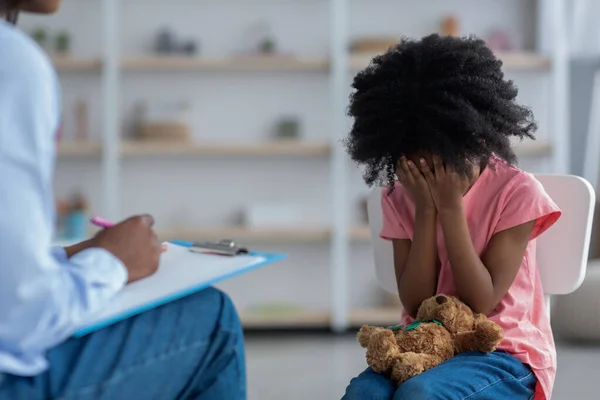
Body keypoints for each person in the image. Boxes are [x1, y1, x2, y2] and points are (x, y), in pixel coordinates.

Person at [0, 1, 246, 399]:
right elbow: (24, 318)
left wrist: (64, 257)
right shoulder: (13, 61)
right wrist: (110, 263)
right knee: (212, 317)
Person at [342, 34, 561, 400]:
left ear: (472, 135)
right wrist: (425, 210)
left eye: (434, 152)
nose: (422, 166)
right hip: (423, 345)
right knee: (363, 393)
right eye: (410, 154)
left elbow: (481, 301)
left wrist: (450, 208)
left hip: (503, 353)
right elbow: (414, 303)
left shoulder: (517, 193)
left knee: (420, 394)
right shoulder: (401, 196)